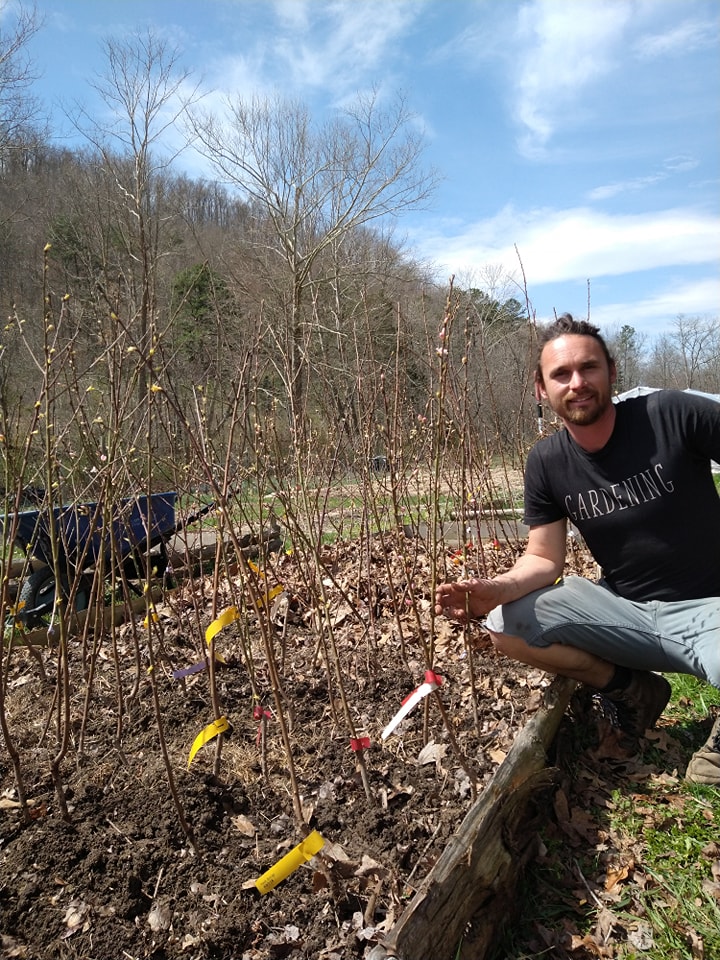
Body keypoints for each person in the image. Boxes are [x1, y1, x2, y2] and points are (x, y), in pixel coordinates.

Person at [435, 314, 720, 785]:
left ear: (611, 370)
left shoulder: (670, 414)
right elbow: (545, 558)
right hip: (627, 610)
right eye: (561, 374)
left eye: (588, 368)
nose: (577, 383)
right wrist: (494, 589)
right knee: (508, 623)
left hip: (709, 608)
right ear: (541, 389)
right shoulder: (547, 462)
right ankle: (633, 692)